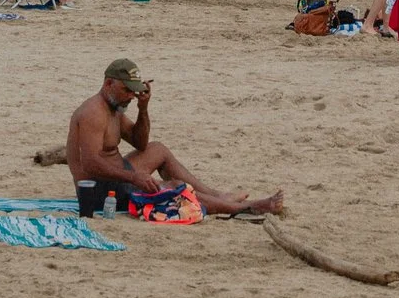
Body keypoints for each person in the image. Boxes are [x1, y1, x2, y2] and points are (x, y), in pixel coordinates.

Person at [65, 59, 283, 218]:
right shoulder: (93, 113)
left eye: (134, 92)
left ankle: (218, 196)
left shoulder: (114, 107)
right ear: (108, 84)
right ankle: (242, 209)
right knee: (175, 187)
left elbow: (140, 143)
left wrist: (143, 108)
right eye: (126, 90)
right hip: (97, 190)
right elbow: (91, 163)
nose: (131, 96)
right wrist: (134, 178)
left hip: (118, 174)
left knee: (157, 149)